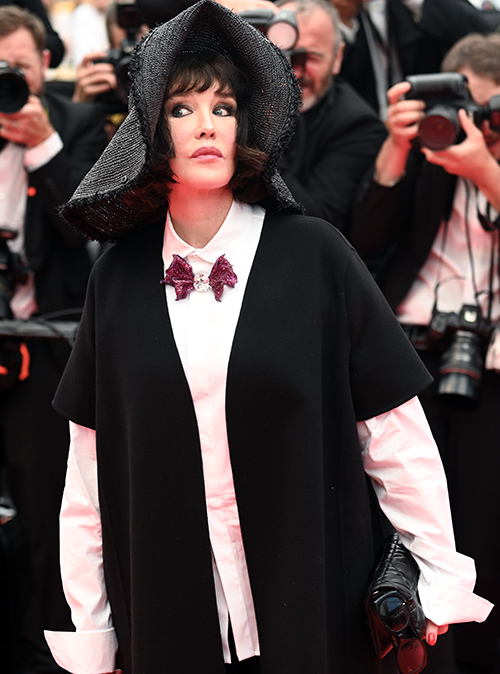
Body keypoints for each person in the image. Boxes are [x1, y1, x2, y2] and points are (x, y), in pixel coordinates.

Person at [44, 2, 492, 673]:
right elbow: (88, 477)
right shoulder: (117, 278)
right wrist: (92, 624)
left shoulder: (317, 255)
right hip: (168, 612)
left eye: (223, 109)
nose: (206, 126)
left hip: (313, 601)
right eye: (182, 108)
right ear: (152, 131)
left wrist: (437, 571)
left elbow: (395, 437)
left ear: (245, 125)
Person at [350, 31, 500, 674]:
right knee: (417, 528)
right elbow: (363, 241)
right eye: (465, 106)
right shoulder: (423, 156)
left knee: (484, 526)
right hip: (413, 356)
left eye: (490, 110)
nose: (475, 124)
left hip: (491, 368)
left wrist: (485, 170)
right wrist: (398, 145)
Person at [0, 6, 108, 673]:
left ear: (45, 63)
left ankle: (47, 658)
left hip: (44, 349)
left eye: (15, 66)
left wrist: (43, 146)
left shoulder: (82, 123)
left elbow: (88, 228)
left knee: (48, 515)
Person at [274, 0, 387, 233]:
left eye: (311, 57)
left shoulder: (358, 126)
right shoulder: (237, 97)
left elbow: (318, 223)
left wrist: (261, 136)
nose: (295, 71)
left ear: (337, 58)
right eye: (284, 54)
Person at [334, 0, 500, 120]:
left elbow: (482, 36)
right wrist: (343, 19)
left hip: (435, 121)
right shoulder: (337, 11)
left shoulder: (410, 7)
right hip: (364, 127)